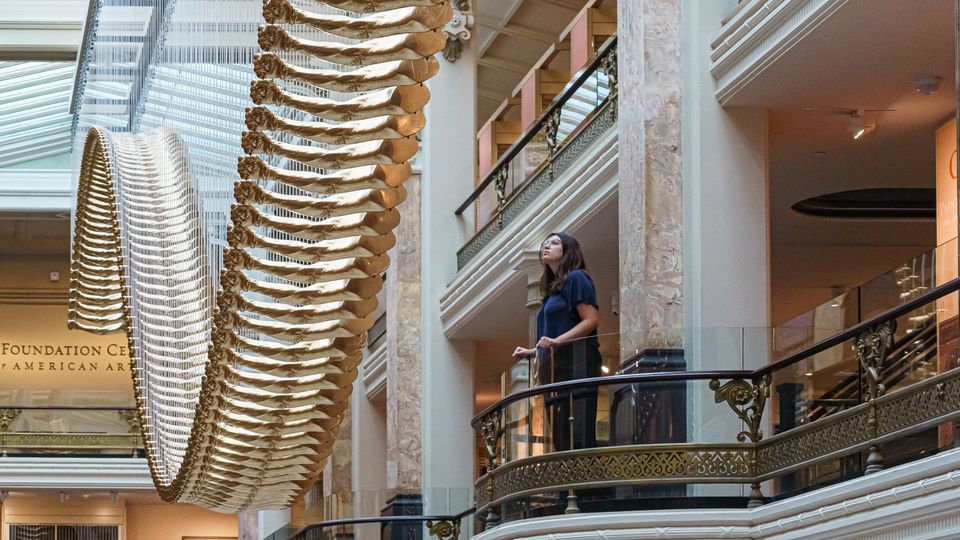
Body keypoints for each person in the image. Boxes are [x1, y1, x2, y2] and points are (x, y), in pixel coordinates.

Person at [514, 232, 601, 451]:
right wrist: (533, 350)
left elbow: (591, 320)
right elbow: (552, 335)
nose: (546, 246)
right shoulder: (552, 293)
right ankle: (568, 483)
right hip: (555, 365)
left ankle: (582, 482)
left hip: (576, 362)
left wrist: (556, 342)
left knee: (577, 429)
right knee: (561, 432)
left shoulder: (576, 278)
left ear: (567, 250)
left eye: (554, 243)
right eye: (545, 243)